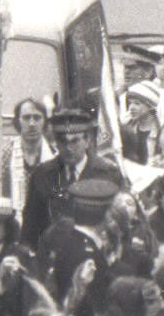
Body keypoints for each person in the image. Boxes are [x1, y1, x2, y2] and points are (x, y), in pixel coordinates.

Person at [21, 107, 122, 249]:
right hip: (53, 258)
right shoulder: (42, 174)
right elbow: (30, 228)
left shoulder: (108, 173)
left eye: (75, 141)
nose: (68, 148)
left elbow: (119, 223)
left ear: (87, 140)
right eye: (63, 141)